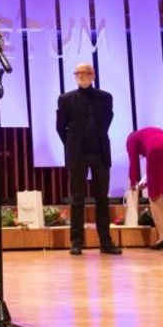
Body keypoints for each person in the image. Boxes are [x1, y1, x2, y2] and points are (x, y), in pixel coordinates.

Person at [55, 63, 119, 256]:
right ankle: (76, 242)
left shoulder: (105, 97)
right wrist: (72, 143)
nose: (81, 76)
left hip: (100, 152)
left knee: (102, 199)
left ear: (93, 76)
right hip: (78, 154)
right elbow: (60, 127)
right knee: (77, 199)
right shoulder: (66, 99)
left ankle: (106, 242)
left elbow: (107, 121)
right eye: (78, 73)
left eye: (85, 73)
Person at [126, 127, 163, 250]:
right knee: (160, 197)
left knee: (153, 197)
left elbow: (133, 163)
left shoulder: (132, 139)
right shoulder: (150, 132)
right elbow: (160, 171)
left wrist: (132, 182)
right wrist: (148, 183)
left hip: (157, 152)